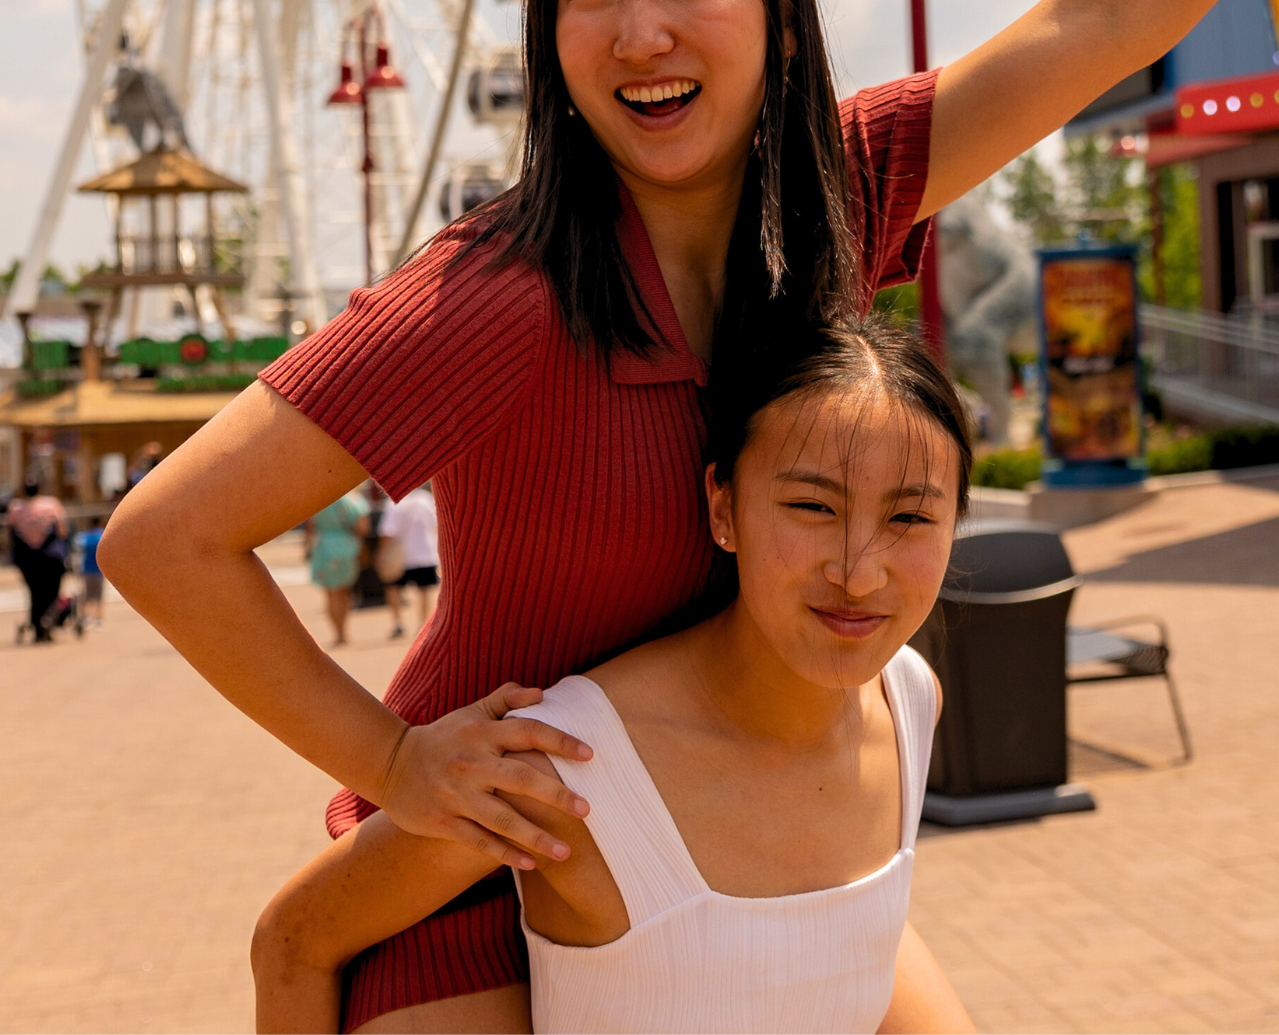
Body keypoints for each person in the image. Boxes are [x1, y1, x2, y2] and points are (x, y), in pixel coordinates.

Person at [98, 0, 1279, 1028]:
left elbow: (1105, 14)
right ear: (548, 40)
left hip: (732, 830)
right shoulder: (492, 297)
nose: (641, 32)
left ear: (782, 16)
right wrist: (397, 764)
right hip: (494, 860)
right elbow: (165, 538)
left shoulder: (839, 194)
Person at [257, 316, 969, 1033]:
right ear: (723, 506)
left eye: (910, 518)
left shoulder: (910, 702)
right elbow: (293, 942)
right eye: (812, 507)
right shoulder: (565, 767)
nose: (858, 574)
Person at [8, 482, 72, 643]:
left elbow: (10, 532)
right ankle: (48, 621)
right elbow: (62, 529)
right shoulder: (51, 504)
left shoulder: (15, 507)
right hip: (51, 555)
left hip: (27, 557)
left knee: (35, 592)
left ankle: (38, 626)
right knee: (52, 591)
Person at [374, 485, 439, 640]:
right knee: (424, 590)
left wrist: (380, 553)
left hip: (401, 556)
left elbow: (388, 532)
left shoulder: (394, 502)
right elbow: (436, 525)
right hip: (425, 553)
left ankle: (398, 623)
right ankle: (423, 623)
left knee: (394, 588)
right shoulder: (426, 499)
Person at [304, 493, 368, 649]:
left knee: (330, 594)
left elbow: (310, 526)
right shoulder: (354, 500)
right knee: (345, 592)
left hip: (324, 548)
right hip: (347, 546)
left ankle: (337, 633)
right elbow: (362, 527)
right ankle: (344, 631)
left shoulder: (318, 500)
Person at [73, 514, 108, 630]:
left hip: (86, 570)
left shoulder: (83, 536)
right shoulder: (102, 535)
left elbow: (78, 552)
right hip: (99, 570)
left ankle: (86, 618)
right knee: (98, 596)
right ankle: (99, 619)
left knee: (86, 595)